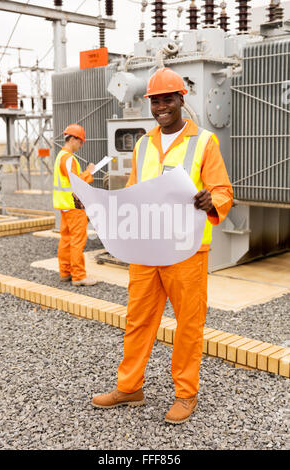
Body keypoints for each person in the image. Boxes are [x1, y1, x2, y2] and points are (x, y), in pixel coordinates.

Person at [91, 68, 233, 424]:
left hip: (186, 251)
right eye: (155, 100)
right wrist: (96, 203)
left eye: (167, 99)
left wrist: (209, 201)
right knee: (138, 320)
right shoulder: (143, 143)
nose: (161, 106)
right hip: (147, 249)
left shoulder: (204, 142)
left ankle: (186, 394)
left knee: (187, 323)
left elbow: (223, 191)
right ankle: (130, 387)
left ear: (181, 100)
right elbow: (136, 193)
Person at [53, 123, 97, 286]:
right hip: (74, 205)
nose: (81, 144)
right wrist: (89, 172)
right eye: (80, 141)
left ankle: (65, 272)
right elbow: (76, 181)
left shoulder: (60, 156)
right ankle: (79, 276)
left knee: (66, 239)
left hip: (65, 204)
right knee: (77, 241)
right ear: (72, 139)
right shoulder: (68, 158)